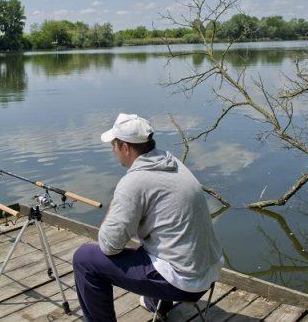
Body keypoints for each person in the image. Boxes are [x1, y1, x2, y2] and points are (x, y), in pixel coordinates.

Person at [72, 113, 224, 321]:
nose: (112, 150)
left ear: (125, 147)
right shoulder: (173, 162)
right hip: (209, 270)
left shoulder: (134, 182)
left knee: (84, 259)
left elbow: (109, 245)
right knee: (154, 238)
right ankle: (156, 304)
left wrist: (115, 205)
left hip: (184, 283)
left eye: (114, 146)